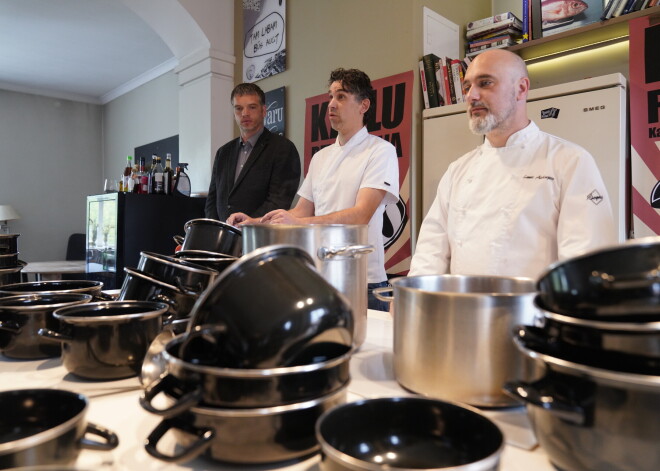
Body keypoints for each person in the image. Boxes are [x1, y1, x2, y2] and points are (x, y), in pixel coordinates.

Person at [409, 49, 616, 279]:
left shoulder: (570, 162)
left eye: (485, 83)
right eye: (467, 87)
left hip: (534, 313)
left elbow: (583, 265)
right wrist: (411, 297)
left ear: (521, 88)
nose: (471, 96)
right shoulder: (457, 170)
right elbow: (430, 252)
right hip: (464, 311)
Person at [238, 68, 399, 311]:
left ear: (363, 105)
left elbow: (361, 215)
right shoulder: (321, 157)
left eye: (341, 96)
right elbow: (301, 210)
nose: (331, 104)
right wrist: (256, 221)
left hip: (363, 281)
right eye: (330, 96)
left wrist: (301, 223)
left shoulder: (380, 151)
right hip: (320, 276)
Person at [205, 83, 301, 223]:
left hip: (261, 237)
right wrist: (217, 231)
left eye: (252, 107)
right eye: (239, 108)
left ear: (263, 111)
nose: (245, 113)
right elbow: (212, 201)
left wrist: (250, 224)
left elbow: (279, 201)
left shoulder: (283, 148)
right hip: (224, 239)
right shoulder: (223, 153)